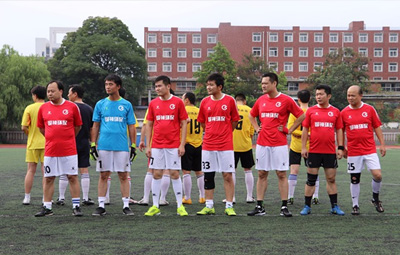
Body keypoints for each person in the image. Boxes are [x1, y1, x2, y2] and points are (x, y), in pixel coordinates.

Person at [247, 73, 304, 217]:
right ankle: (260, 206)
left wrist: (289, 130)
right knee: (261, 173)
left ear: (274, 84)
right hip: (262, 143)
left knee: (281, 174)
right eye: (262, 83)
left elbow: (302, 115)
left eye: (266, 83)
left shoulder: (286, 100)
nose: (263, 86)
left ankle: (284, 206)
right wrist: (256, 127)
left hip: (279, 143)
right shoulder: (261, 100)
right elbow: (251, 115)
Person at [90, 74, 137, 216]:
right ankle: (101, 205)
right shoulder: (100, 104)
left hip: (121, 146)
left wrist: (133, 145)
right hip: (104, 146)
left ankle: (126, 205)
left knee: (123, 175)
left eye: (110, 84)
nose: (108, 87)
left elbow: (131, 126)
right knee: (103, 175)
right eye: (106, 84)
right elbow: (96, 125)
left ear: (118, 86)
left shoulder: (126, 105)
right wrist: (93, 144)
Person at [35, 80, 83, 217]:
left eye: (52, 91)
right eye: (48, 91)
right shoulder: (43, 108)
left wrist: (67, 139)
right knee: (49, 178)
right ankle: (47, 207)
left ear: (61, 91)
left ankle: (76, 206)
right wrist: (52, 139)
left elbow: (78, 127)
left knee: (72, 177)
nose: (49, 93)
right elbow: (41, 128)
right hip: (50, 150)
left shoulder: (72, 107)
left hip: (69, 150)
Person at [196, 73, 240, 216]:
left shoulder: (230, 100)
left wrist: (225, 133)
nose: (208, 87)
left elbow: (234, 121)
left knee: (227, 175)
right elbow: (202, 123)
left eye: (211, 85)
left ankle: (229, 205)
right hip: (208, 145)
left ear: (219, 87)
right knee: (208, 175)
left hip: (225, 145)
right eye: (207, 84)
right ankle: (209, 205)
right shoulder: (204, 102)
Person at [144, 75, 189, 216]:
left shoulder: (177, 102)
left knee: (175, 173)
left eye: (159, 86)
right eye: (155, 86)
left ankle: (180, 206)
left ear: (168, 86)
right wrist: (148, 145)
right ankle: (155, 205)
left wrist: (182, 144)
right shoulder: (153, 103)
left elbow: (183, 123)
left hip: (173, 145)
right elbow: (149, 124)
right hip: (157, 145)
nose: (157, 89)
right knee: (156, 173)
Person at [300, 84, 345, 216]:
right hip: (313, 151)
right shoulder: (310, 111)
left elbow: (339, 130)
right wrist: (303, 147)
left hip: (330, 152)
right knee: (311, 179)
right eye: (317, 94)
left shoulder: (336, 112)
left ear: (329, 96)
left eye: (321, 94)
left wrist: (340, 147)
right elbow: (305, 130)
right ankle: (307, 206)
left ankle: (334, 206)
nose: (318, 97)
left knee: (331, 179)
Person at [341, 85, 386, 215]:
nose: (350, 98)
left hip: (369, 149)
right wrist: (342, 146)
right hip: (353, 151)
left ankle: (375, 199)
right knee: (355, 178)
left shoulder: (369, 109)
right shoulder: (344, 112)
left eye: (353, 95)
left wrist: (382, 144)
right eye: (348, 95)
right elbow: (340, 131)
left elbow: (377, 127)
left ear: (360, 96)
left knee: (377, 175)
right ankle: (355, 205)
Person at [55, 84, 94, 206]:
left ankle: (61, 198)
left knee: (64, 171)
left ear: (75, 94)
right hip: (84, 142)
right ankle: (86, 198)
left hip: (69, 143)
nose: (67, 95)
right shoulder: (89, 109)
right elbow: (92, 128)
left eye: (69, 93)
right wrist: (92, 142)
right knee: (84, 169)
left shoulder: (68, 107)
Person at [287, 90, 320, 205]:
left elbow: (290, 128)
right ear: (310, 98)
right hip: (310, 147)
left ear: (298, 99)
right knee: (313, 172)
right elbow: (315, 130)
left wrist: (299, 134)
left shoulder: (293, 113)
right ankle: (315, 196)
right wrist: (308, 135)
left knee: (293, 171)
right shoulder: (313, 112)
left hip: (295, 146)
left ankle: (290, 196)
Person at [21, 85, 46, 205]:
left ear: (35, 95)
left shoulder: (29, 108)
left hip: (32, 143)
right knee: (46, 171)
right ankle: (45, 197)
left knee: (30, 170)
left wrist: (29, 134)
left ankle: (27, 197)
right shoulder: (48, 107)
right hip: (48, 143)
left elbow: (24, 127)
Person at [229, 93, 255, 203]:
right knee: (248, 170)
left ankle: (232, 197)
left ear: (235, 101)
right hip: (246, 144)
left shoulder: (231, 109)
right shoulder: (250, 110)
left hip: (231, 145)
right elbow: (252, 131)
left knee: (231, 171)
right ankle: (249, 196)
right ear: (244, 101)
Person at [181, 92, 205, 205]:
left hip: (187, 144)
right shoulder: (200, 110)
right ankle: (202, 196)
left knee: (186, 172)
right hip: (199, 144)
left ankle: (187, 197)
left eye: (182, 98)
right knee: (199, 172)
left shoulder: (183, 110)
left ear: (187, 100)